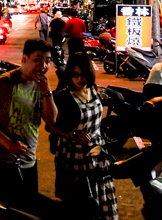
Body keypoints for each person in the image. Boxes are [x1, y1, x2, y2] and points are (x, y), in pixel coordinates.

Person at [0, 39, 58, 207]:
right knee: (5, 212)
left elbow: (51, 120)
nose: (43, 66)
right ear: (24, 59)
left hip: (28, 161)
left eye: (47, 61)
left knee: (28, 211)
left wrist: (47, 93)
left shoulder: (41, 86)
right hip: (1, 163)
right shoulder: (4, 84)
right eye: (38, 60)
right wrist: (8, 143)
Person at [47, 53, 118, 220]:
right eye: (75, 75)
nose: (79, 79)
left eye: (83, 74)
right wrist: (72, 134)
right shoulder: (64, 96)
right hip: (74, 156)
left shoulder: (92, 90)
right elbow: (50, 126)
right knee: (81, 202)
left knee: (102, 195)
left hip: (96, 152)